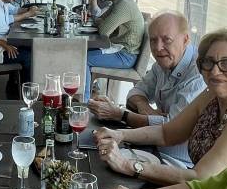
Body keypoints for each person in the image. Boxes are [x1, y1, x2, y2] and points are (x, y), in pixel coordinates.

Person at [93, 26, 227, 185]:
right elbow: (166, 133)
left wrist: (127, 165)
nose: (214, 71)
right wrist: (120, 134)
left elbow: (200, 178)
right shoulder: (210, 96)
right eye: (209, 62)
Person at [88, 11, 206, 166]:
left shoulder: (199, 75)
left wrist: (119, 114)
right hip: (151, 146)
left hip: (178, 162)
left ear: (185, 40)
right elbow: (134, 93)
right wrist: (146, 108)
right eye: (153, 40)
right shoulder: (163, 63)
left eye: (167, 40)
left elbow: (169, 128)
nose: (158, 48)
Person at [84, 0, 144, 98]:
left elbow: (103, 30)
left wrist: (102, 23)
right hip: (118, 49)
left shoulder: (124, 6)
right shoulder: (119, 2)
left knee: (83, 59)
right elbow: (99, 19)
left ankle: (84, 101)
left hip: (126, 55)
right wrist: (102, 22)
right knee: (81, 51)